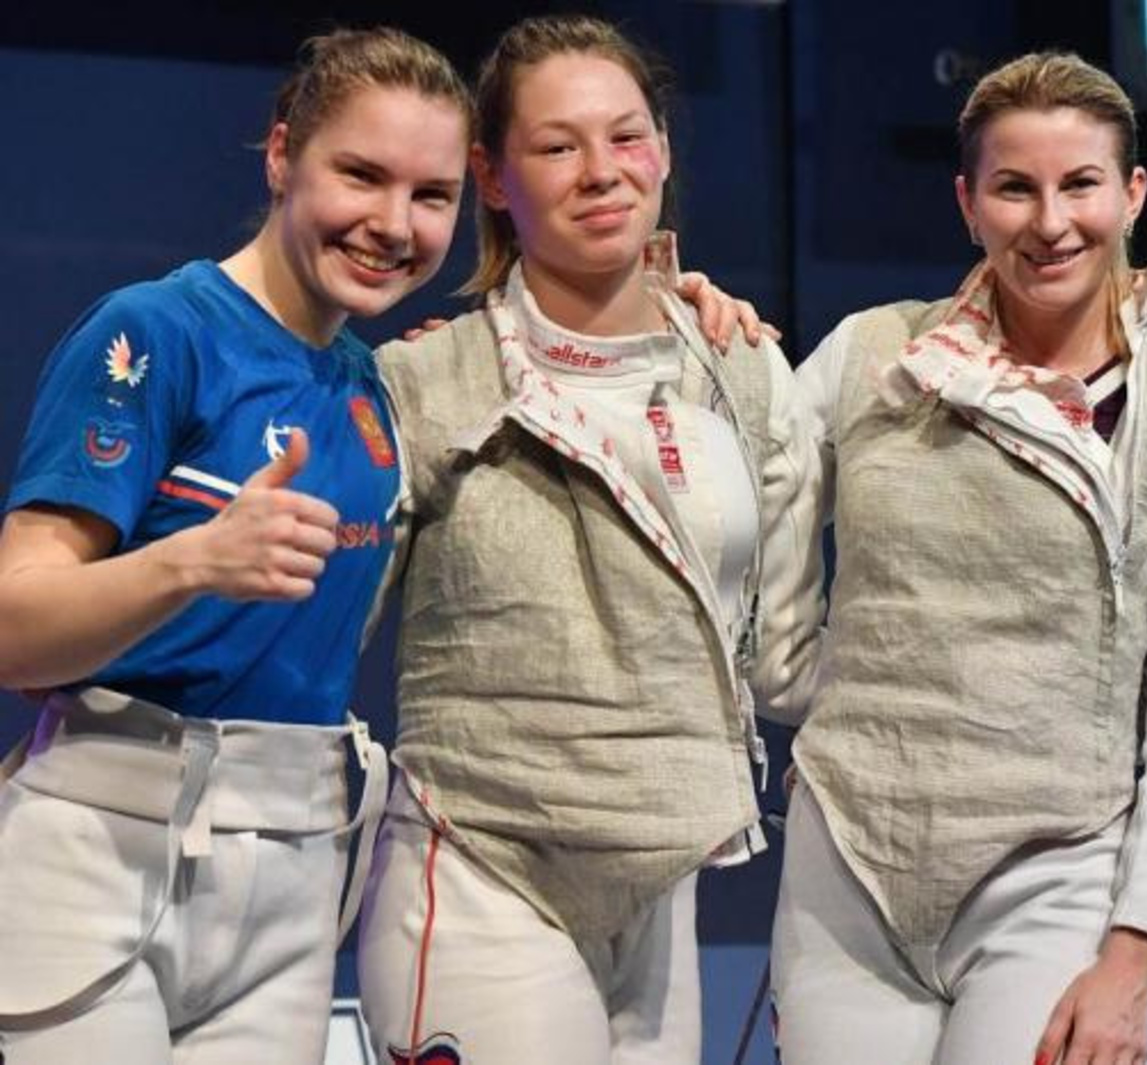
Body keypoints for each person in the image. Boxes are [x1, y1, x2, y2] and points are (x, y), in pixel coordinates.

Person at [354, 15, 823, 1065]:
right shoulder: (421, 381)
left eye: (627, 136)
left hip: (665, 879)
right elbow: (314, 630)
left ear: (664, 148)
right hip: (480, 863)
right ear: (492, 175)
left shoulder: (745, 373)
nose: (602, 172)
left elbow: (786, 659)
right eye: (558, 146)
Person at [770, 52, 1147, 1065]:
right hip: (849, 858)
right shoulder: (873, 354)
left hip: (1057, 866)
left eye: (1080, 184)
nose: (1050, 222)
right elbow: (740, 498)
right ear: (967, 203)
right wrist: (803, 679)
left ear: (1132, 194)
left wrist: (1135, 952)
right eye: (1014, 188)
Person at [0, 28, 473, 1064]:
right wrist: (193, 561)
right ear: (282, 155)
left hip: (295, 884)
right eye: (361, 175)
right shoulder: (155, 333)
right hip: (98, 861)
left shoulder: (372, 386)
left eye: (432, 195)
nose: (394, 224)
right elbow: (13, 631)